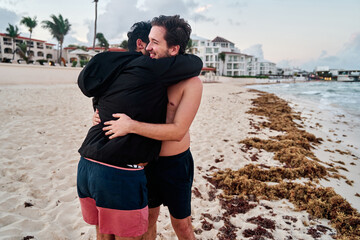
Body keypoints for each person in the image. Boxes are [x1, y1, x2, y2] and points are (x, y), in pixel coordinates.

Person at [77, 18, 202, 240]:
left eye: (154, 42)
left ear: (173, 49)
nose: (147, 47)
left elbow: (177, 131)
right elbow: (111, 92)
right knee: (145, 224)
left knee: (182, 226)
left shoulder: (191, 82)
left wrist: (131, 126)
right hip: (144, 163)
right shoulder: (143, 68)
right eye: (148, 41)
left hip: (175, 164)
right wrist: (98, 112)